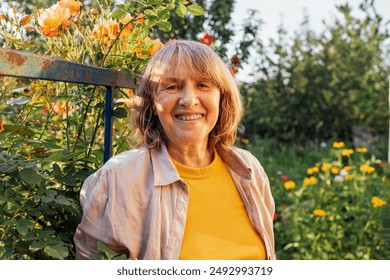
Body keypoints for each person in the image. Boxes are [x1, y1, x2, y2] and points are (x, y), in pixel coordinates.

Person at [73, 39, 276, 260]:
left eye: (203, 85)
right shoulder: (117, 179)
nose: (189, 100)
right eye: (172, 87)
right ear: (152, 101)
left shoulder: (248, 169)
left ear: (222, 97)